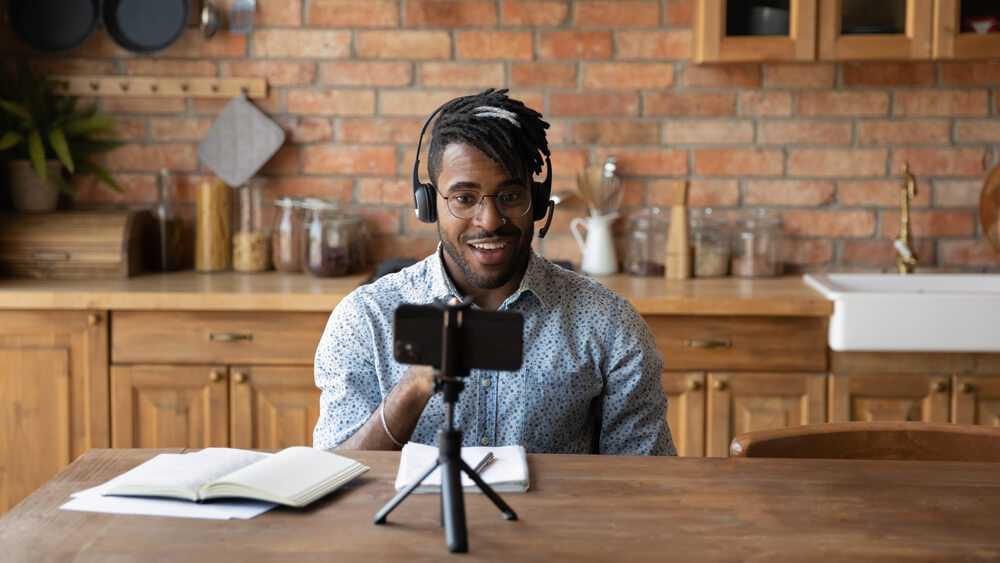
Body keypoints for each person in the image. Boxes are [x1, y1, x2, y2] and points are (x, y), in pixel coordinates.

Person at [313, 89, 676, 456]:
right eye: (464, 198)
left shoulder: (609, 325)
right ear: (428, 204)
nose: (489, 221)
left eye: (510, 196)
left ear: (536, 200)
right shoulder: (365, 318)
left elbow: (645, 482)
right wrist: (413, 387)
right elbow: (332, 479)